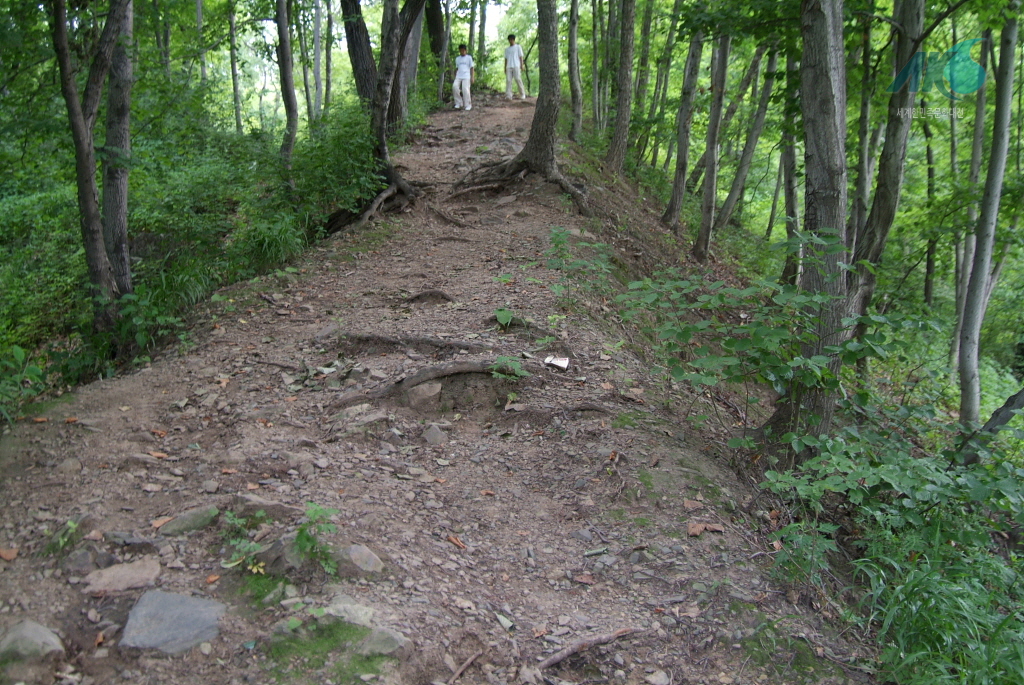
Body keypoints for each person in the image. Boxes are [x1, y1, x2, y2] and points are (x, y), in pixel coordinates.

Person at [452, 44, 475, 111]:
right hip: (458, 76)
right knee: (454, 87)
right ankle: (458, 103)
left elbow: (472, 67)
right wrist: (454, 75)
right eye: (461, 50)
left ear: (465, 50)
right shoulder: (457, 59)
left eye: (463, 50)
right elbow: (456, 68)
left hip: (466, 76)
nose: (462, 52)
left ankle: (467, 105)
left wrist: (472, 77)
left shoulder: (469, 58)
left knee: (465, 89)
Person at [504, 34, 526, 100]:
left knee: (517, 79)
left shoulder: (518, 47)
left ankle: (522, 94)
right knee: (508, 80)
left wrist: (521, 65)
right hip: (509, 66)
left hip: (516, 65)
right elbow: (506, 59)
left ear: (514, 40)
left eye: (511, 39)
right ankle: (508, 95)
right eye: (509, 40)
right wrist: (505, 67)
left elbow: (520, 56)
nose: (510, 41)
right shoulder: (506, 49)